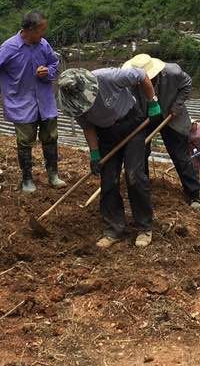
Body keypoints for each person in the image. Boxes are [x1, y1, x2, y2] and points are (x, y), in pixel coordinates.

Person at [58, 66, 161, 249]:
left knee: (134, 176)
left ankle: (144, 227)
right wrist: (94, 153)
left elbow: (142, 75)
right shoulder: (74, 103)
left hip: (131, 124)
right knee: (109, 181)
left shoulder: (108, 77)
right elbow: (88, 127)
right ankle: (114, 229)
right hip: (106, 135)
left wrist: (152, 102)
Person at [0, 10, 63, 193]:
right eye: (40, 31)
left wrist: (47, 72)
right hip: (21, 103)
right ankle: (27, 179)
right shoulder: (8, 48)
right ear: (29, 30)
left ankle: (53, 175)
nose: (43, 34)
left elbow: (54, 65)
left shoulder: (43, 45)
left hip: (45, 101)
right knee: (25, 142)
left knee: (51, 137)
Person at [123, 54, 200, 208]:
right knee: (140, 152)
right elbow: (131, 101)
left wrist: (177, 106)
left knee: (179, 155)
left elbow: (187, 84)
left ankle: (194, 194)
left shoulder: (173, 73)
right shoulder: (131, 81)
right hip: (147, 116)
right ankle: (142, 189)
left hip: (171, 115)